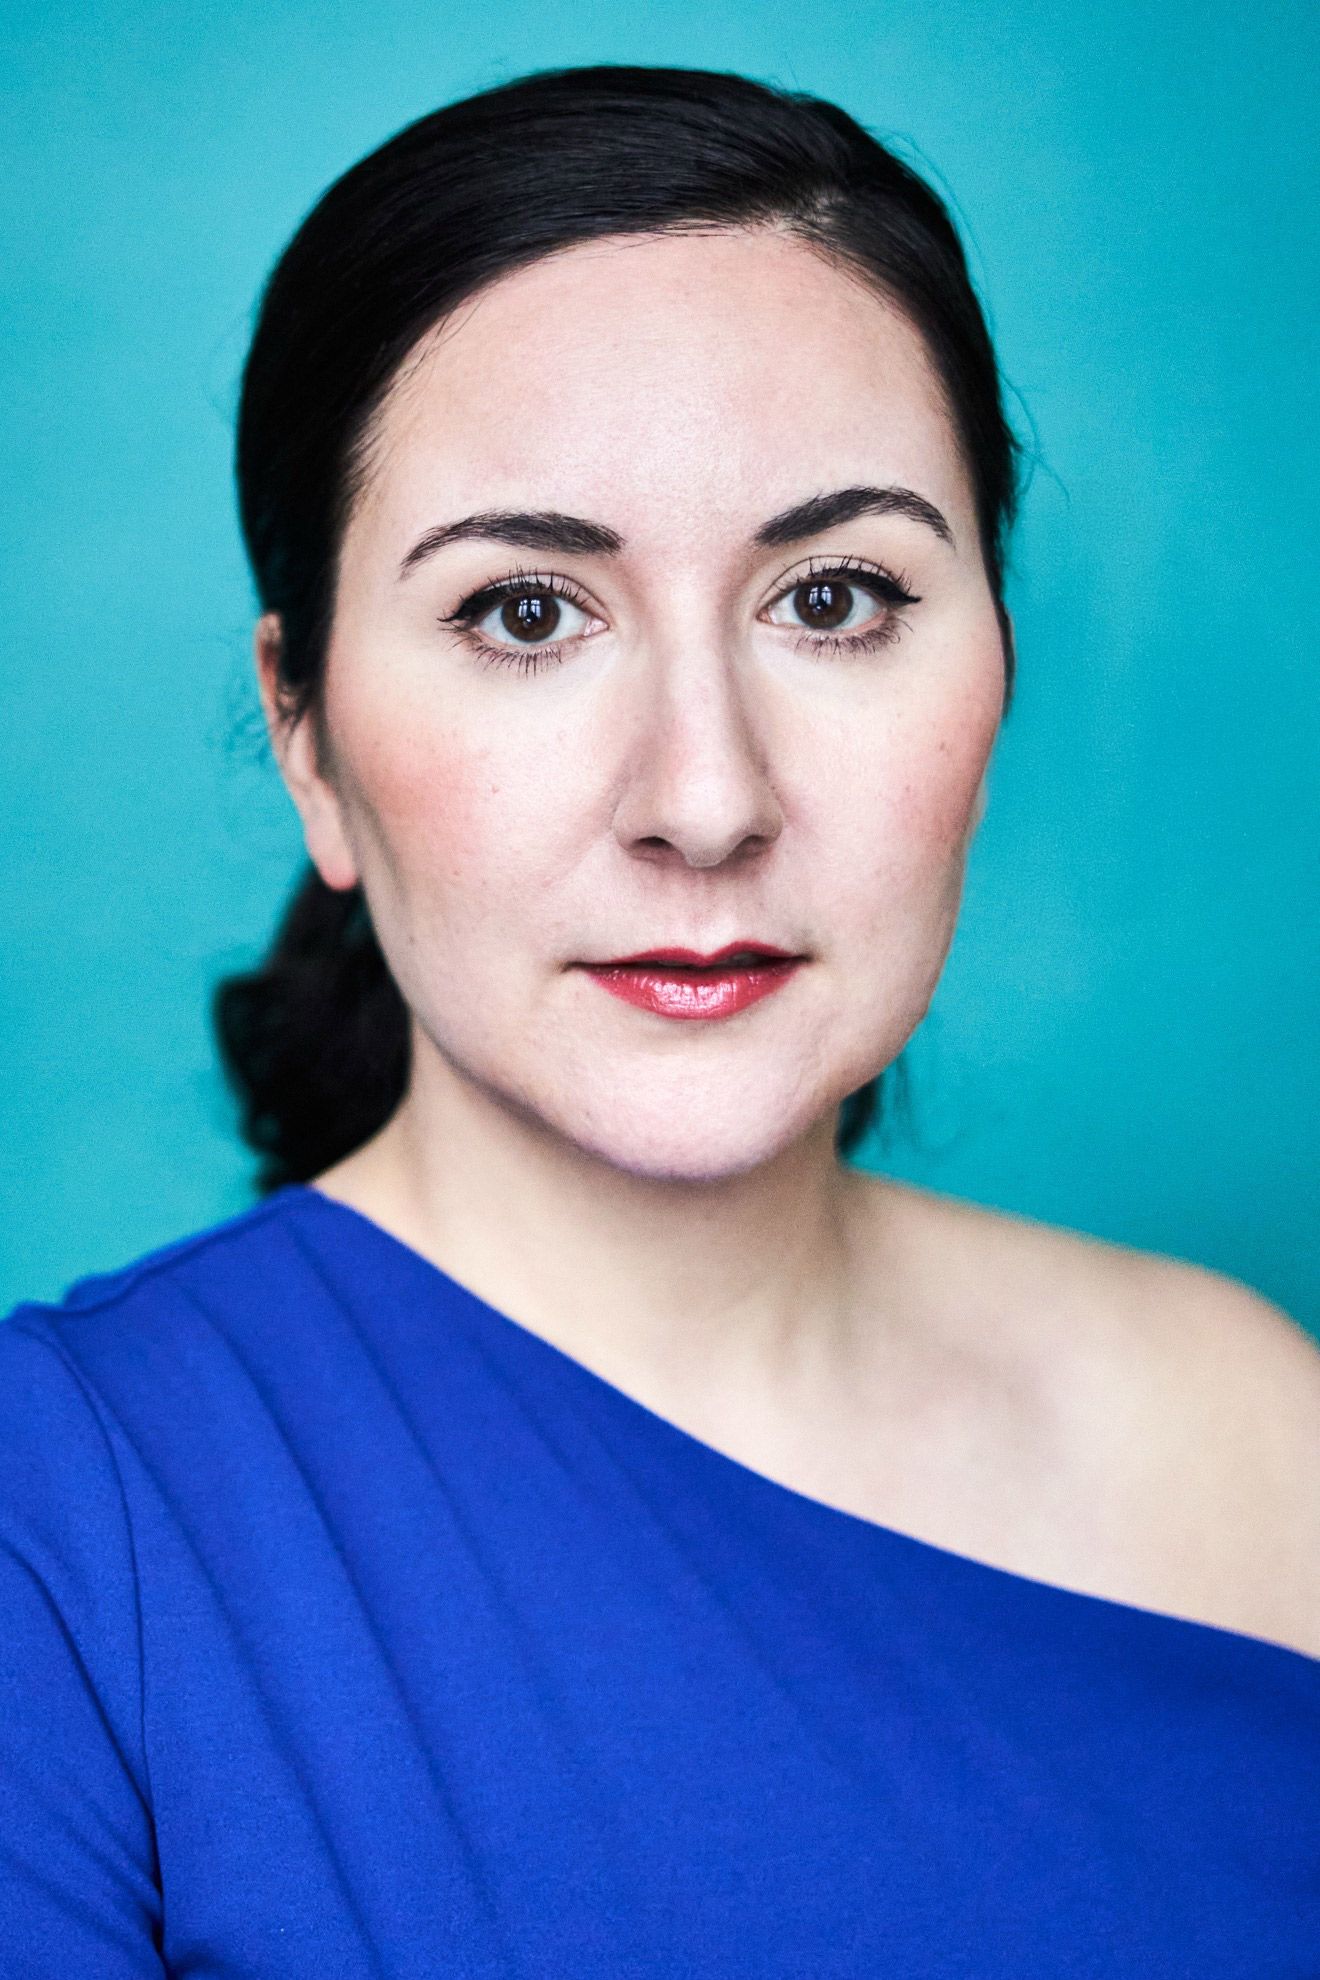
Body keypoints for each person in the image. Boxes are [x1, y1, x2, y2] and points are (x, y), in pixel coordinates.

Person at [2, 62, 1317, 1979]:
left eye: (838, 596)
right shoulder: (60, 1525)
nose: (706, 800)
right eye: (528, 613)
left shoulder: (1252, 1423)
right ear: (307, 736)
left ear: (999, 667)